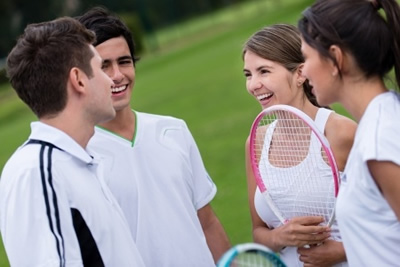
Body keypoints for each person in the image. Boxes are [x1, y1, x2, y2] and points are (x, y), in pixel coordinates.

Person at [76, 7, 231, 266]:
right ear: (82, 75)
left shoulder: (174, 130)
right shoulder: (80, 156)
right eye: (104, 65)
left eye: (124, 61)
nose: (117, 75)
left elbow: (208, 222)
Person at [0, 17, 145, 266]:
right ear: (78, 80)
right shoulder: (37, 173)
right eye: (101, 68)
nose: (112, 80)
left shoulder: (75, 160)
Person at [242, 24, 357, 267]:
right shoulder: (256, 141)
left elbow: (391, 216)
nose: (253, 85)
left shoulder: (340, 133)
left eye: (264, 71)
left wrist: (343, 251)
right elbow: (259, 232)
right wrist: (278, 237)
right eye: (248, 74)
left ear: (300, 73)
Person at [298, 0, 400, 265]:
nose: (303, 70)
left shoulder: (380, 140)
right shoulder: (376, 126)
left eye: (306, 57)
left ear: (336, 59)